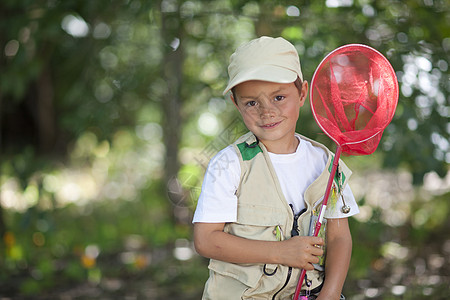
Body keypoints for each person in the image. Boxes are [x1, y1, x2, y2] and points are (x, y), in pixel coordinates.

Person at [193, 36, 359, 300]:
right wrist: (280, 252)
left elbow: (339, 238)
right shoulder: (230, 163)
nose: (266, 112)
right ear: (237, 104)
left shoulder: (327, 164)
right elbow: (206, 240)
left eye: (279, 97)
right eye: (251, 103)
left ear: (302, 93)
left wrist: (329, 295)